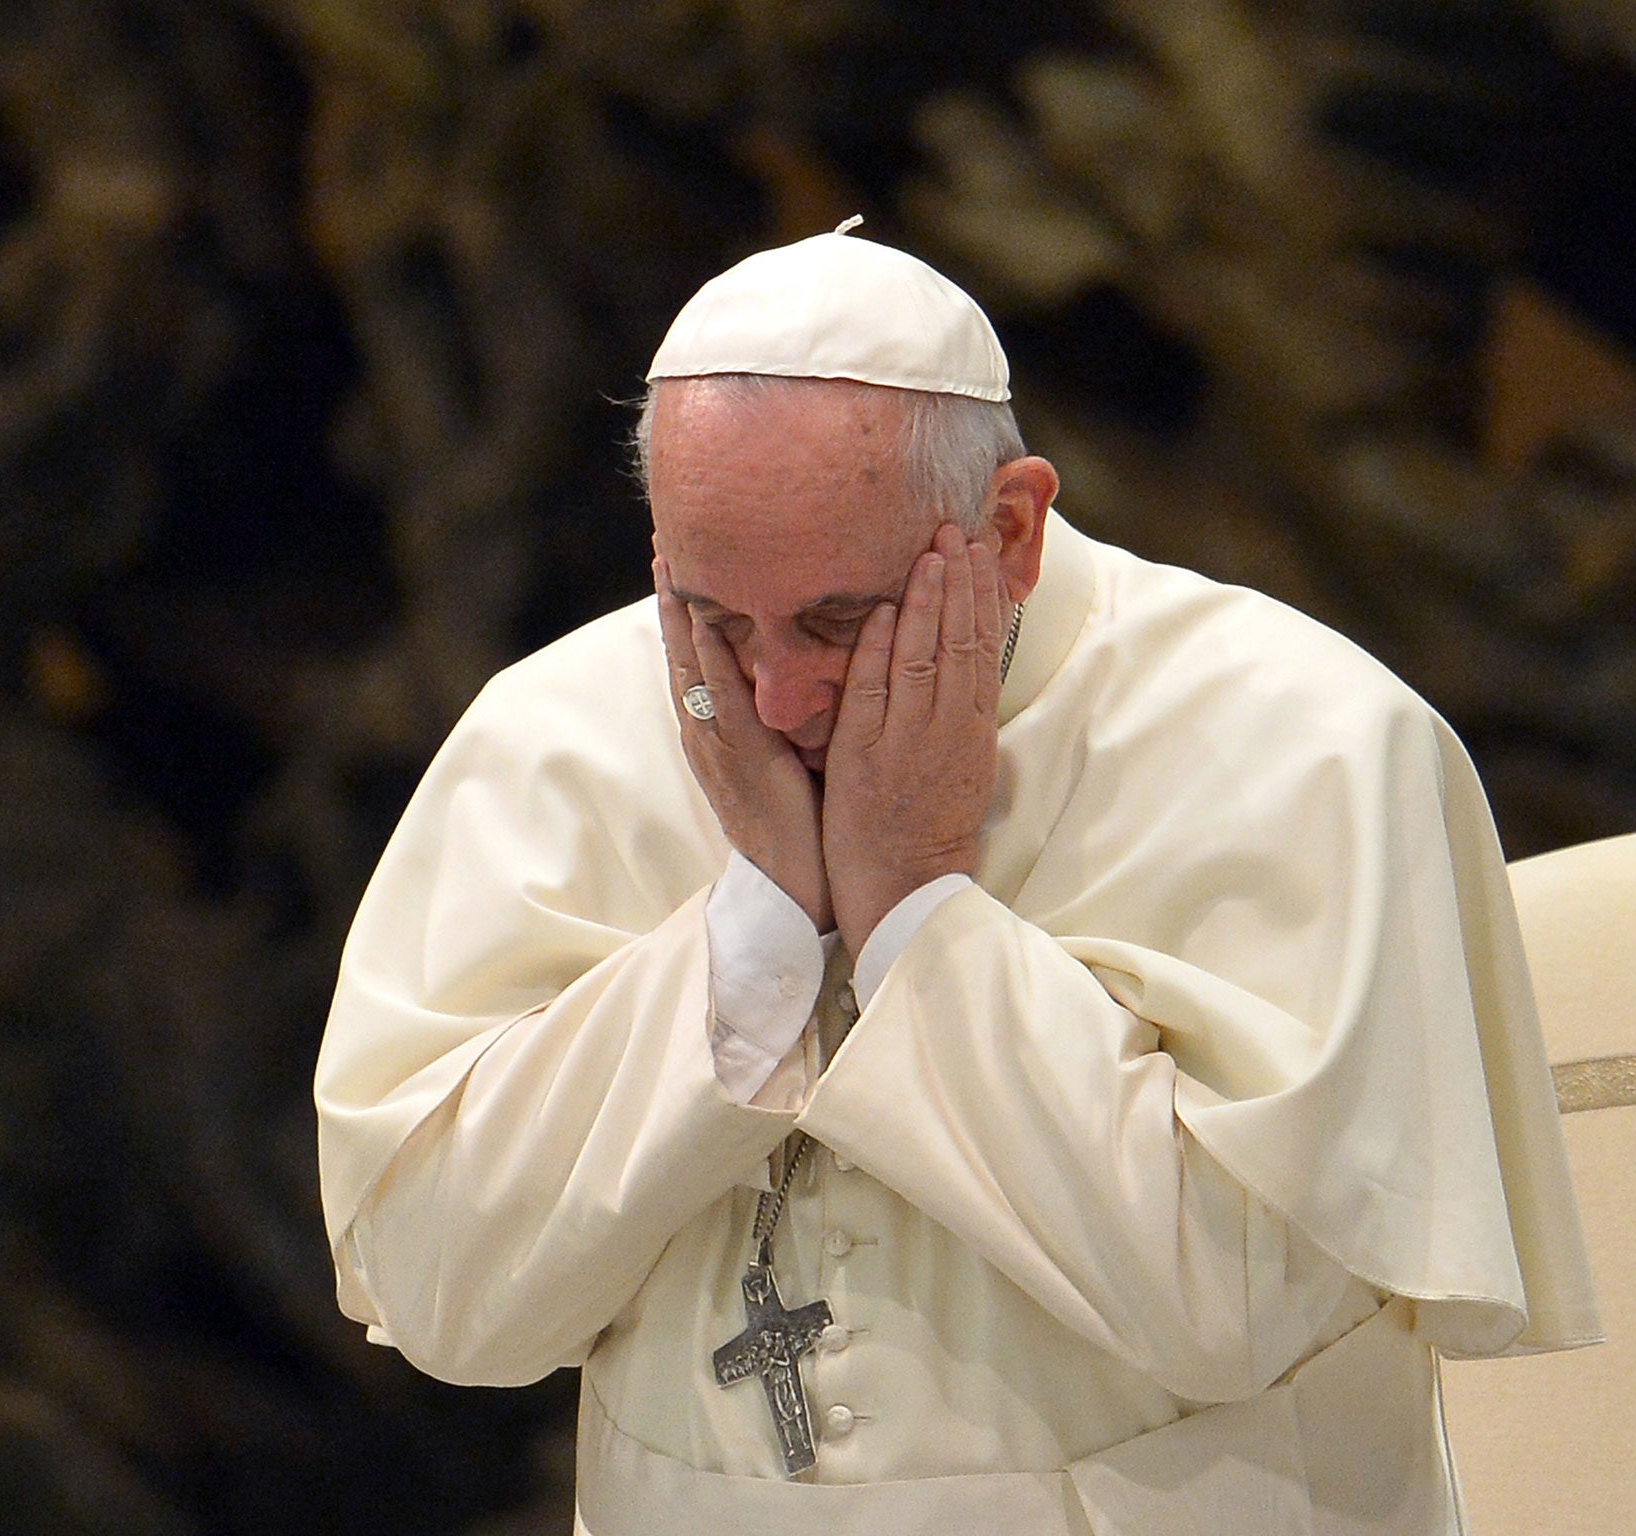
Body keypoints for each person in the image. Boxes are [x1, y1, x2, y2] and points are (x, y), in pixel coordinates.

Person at [314, 223, 1600, 1535]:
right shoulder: (554, 739)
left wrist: (912, 910)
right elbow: (446, 1304)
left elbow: (1236, 1305)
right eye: (712, 616)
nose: (772, 696)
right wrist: (756, 928)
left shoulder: (1307, 738)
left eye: (837, 622)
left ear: (1011, 529)